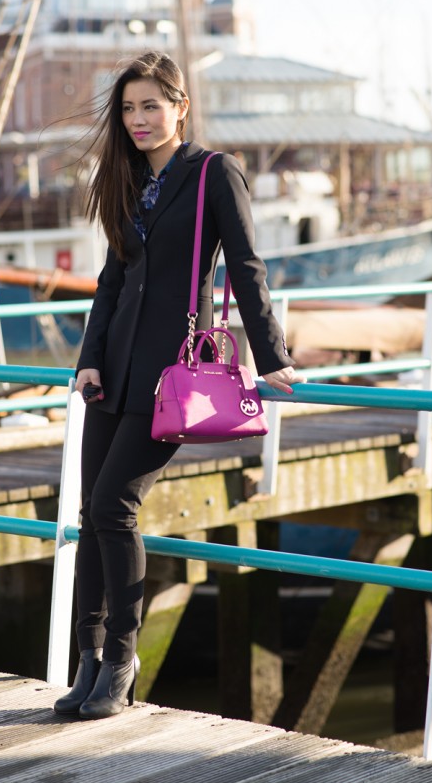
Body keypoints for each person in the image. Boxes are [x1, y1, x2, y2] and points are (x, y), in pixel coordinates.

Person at [53, 51, 302, 721]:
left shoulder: (213, 173)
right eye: (128, 108)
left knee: (114, 507)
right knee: (88, 518)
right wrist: (88, 359)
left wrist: (270, 355)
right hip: (112, 375)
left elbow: (246, 267)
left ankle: (119, 662)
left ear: (179, 107)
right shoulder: (128, 180)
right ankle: (86, 663)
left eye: (150, 106)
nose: (138, 119)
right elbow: (111, 281)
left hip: (173, 377)